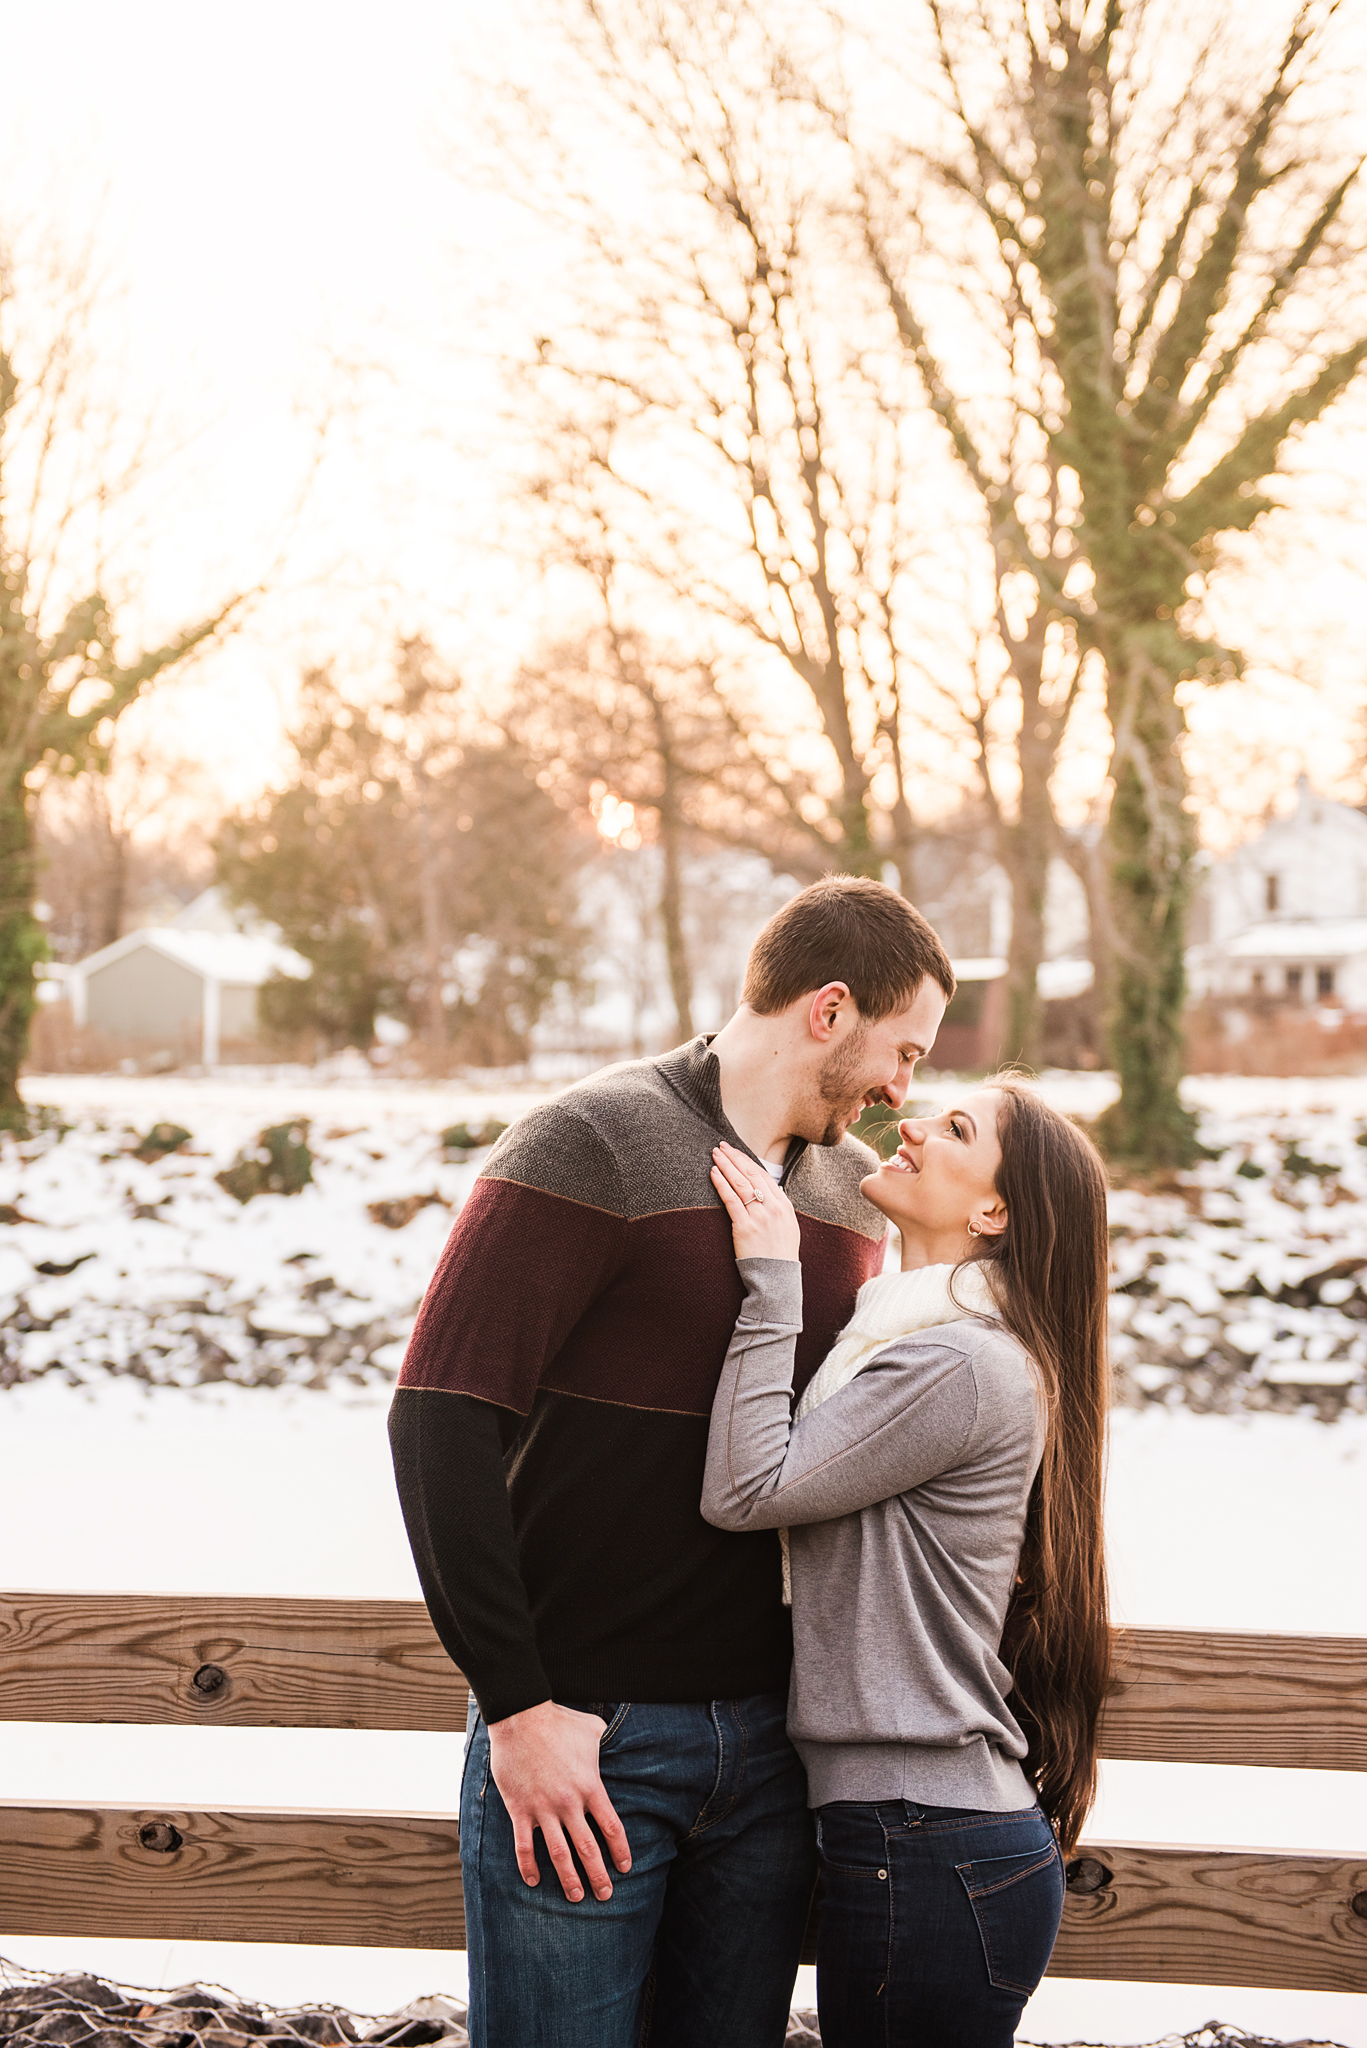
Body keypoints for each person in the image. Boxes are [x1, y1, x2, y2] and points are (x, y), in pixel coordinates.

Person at [388, 876, 956, 2048]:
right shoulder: (587, 1138)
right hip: (584, 1740)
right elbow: (438, 1418)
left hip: (769, 1754)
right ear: (827, 1008)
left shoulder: (854, 1197)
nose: (904, 1086)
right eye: (900, 1049)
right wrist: (519, 1706)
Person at [701, 1078, 1111, 2048]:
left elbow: (743, 1490)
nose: (911, 1123)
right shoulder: (921, 1340)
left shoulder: (958, 1363)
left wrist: (771, 1274)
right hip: (923, 1837)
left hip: (925, 1841)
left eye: (955, 1127)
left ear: (992, 1209)